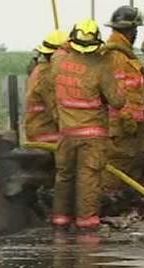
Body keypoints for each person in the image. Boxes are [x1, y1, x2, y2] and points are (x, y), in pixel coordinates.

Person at [50, 19, 124, 230]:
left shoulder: (58, 61)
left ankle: (60, 220)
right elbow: (118, 102)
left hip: (66, 134)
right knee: (88, 178)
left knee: (64, 176)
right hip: (92, 136)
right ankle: (87, 224)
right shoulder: (101, 66)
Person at [99, 5, 144, 198]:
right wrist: (126, 116)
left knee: (134, 168)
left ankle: (126, 206)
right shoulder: (113, 56)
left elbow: (143, 81)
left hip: (134, 127)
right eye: (136, 30)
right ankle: (106, 207)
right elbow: (115, 92)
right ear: (131, 31)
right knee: (116, 171)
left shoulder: (126, 55)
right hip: (120, 127)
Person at [22, 29, 65, 151]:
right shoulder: (48, 75)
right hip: (48, 138)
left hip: (40, 133)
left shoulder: (41, 70)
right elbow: (58, 112)